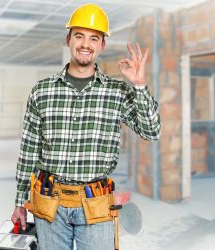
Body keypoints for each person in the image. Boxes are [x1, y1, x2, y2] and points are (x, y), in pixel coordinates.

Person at [10, 3, 161, 250]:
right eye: (79, 36)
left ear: (102, 45)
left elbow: (152, 131)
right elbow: (28, 151)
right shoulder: (42, 91)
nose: (85, 44)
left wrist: (140, 86)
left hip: (96, 205)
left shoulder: (118, 92)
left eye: (94, 38)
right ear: (68, 39)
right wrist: (19, 201)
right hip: (49, 203)